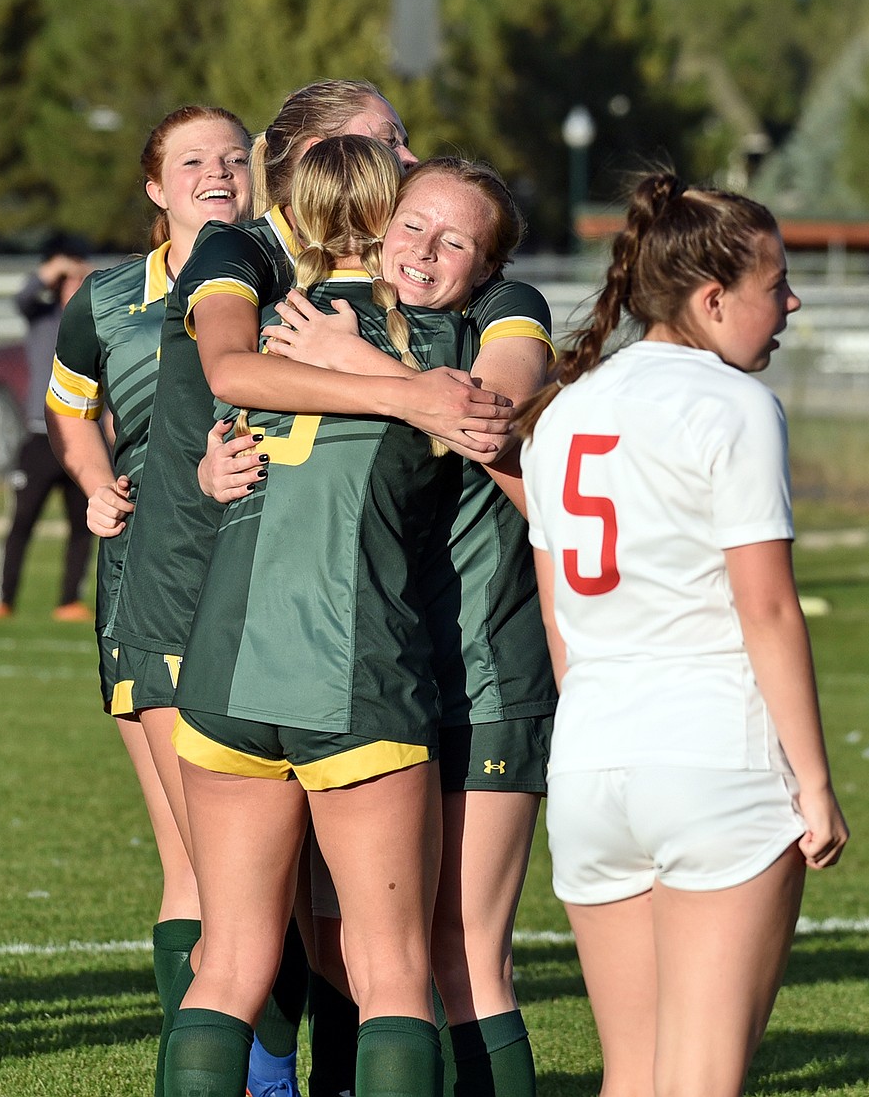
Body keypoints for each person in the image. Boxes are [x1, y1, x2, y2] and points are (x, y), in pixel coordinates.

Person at [102, 81, 510, 1097]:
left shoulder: (273, 323)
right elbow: (508, 441)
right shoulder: (440, 347)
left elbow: (224, 395)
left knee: (229, 959)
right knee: (395, 972)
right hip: (352, 669)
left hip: (225, 671)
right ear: (385, 220)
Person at [517, 173, 848, 1097]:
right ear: (710, 299)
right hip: (712, 757)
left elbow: (560, 623)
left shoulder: (563, 411)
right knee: (700, 1080)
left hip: (589, 766)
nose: (790, 302)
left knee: (635, 1076)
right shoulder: (732, 406)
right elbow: (767, 608)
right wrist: (814, 784)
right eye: (774, 284)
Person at [257, 155, 557, 1097]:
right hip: (377, 673)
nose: (424, 251)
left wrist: (359, 367)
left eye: (455, 240)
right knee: (357, 947)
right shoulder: (337, 313)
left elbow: (489, 421)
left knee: (459, 957)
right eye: (412, 224)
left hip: (483, 671)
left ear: (488, 266)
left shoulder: (502, 316)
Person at [43, 105, 260, 1097]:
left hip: (270, 574)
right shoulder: (111, 296)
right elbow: (67, 400)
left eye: (232, 155)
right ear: (154, 186)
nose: (216, 170)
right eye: (191, 160)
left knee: (270, 872)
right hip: (151, 580)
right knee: (197, 862)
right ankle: (240, 1076)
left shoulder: (273, 273)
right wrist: (92, 481)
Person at [0, 237, 94, 622]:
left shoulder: (98, 321)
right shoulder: (41, 318)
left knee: (83, 524)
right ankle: (3, 599)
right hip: (40, 436)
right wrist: (56, 266)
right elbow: (22, 297)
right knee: (21, 521)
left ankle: (69, 600)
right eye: (70, 278)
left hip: (83, 438)